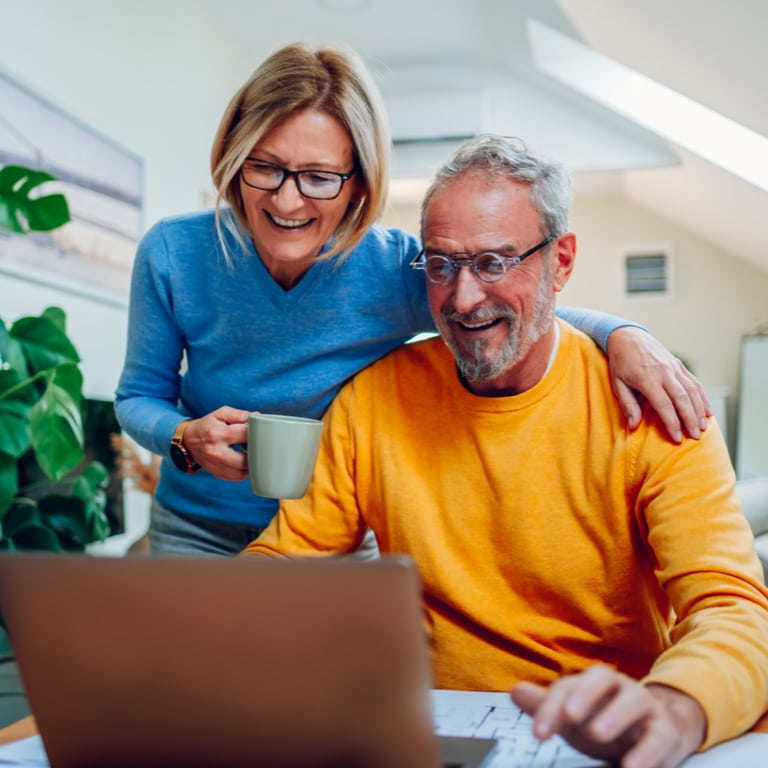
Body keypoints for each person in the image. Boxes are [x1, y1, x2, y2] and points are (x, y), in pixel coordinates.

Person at [242, 135, 768, 768]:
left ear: (562, 261)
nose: (463, 299)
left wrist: (673, 710)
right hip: (432, 734)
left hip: (603, 737)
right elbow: (282, 566)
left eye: (493, 263)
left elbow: (733, 610)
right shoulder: (374, 398)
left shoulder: (653, 407)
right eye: (441, 264)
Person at [115, 42, 709, 556]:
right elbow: (139, 395)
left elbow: (506, 305)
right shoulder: (174, 252)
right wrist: (184, 438)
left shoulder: (393, 267)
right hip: (195, 527)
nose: (288, 202)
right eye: (265, 168)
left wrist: (623, 334)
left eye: (320, 177)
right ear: (233, 159)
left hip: (338, 536)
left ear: (359, 186)